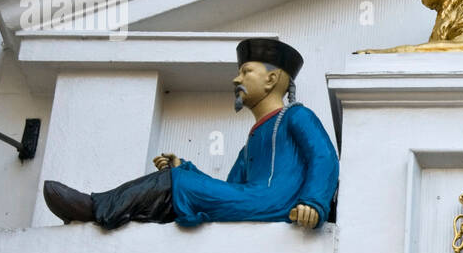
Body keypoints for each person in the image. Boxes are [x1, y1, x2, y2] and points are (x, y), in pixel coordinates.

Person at [42, 38, 339, 230]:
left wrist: (314, 202)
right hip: (253, 199)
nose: (236, 78)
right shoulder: (250, 143)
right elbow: (227, 190)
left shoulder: (297, 116)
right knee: (184, 183)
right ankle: (119, 210)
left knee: (182, 184)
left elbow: (324, 158)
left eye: (246, 71)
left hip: (276, 202)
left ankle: (97, 207)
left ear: (272, 79)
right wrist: (186, 169)